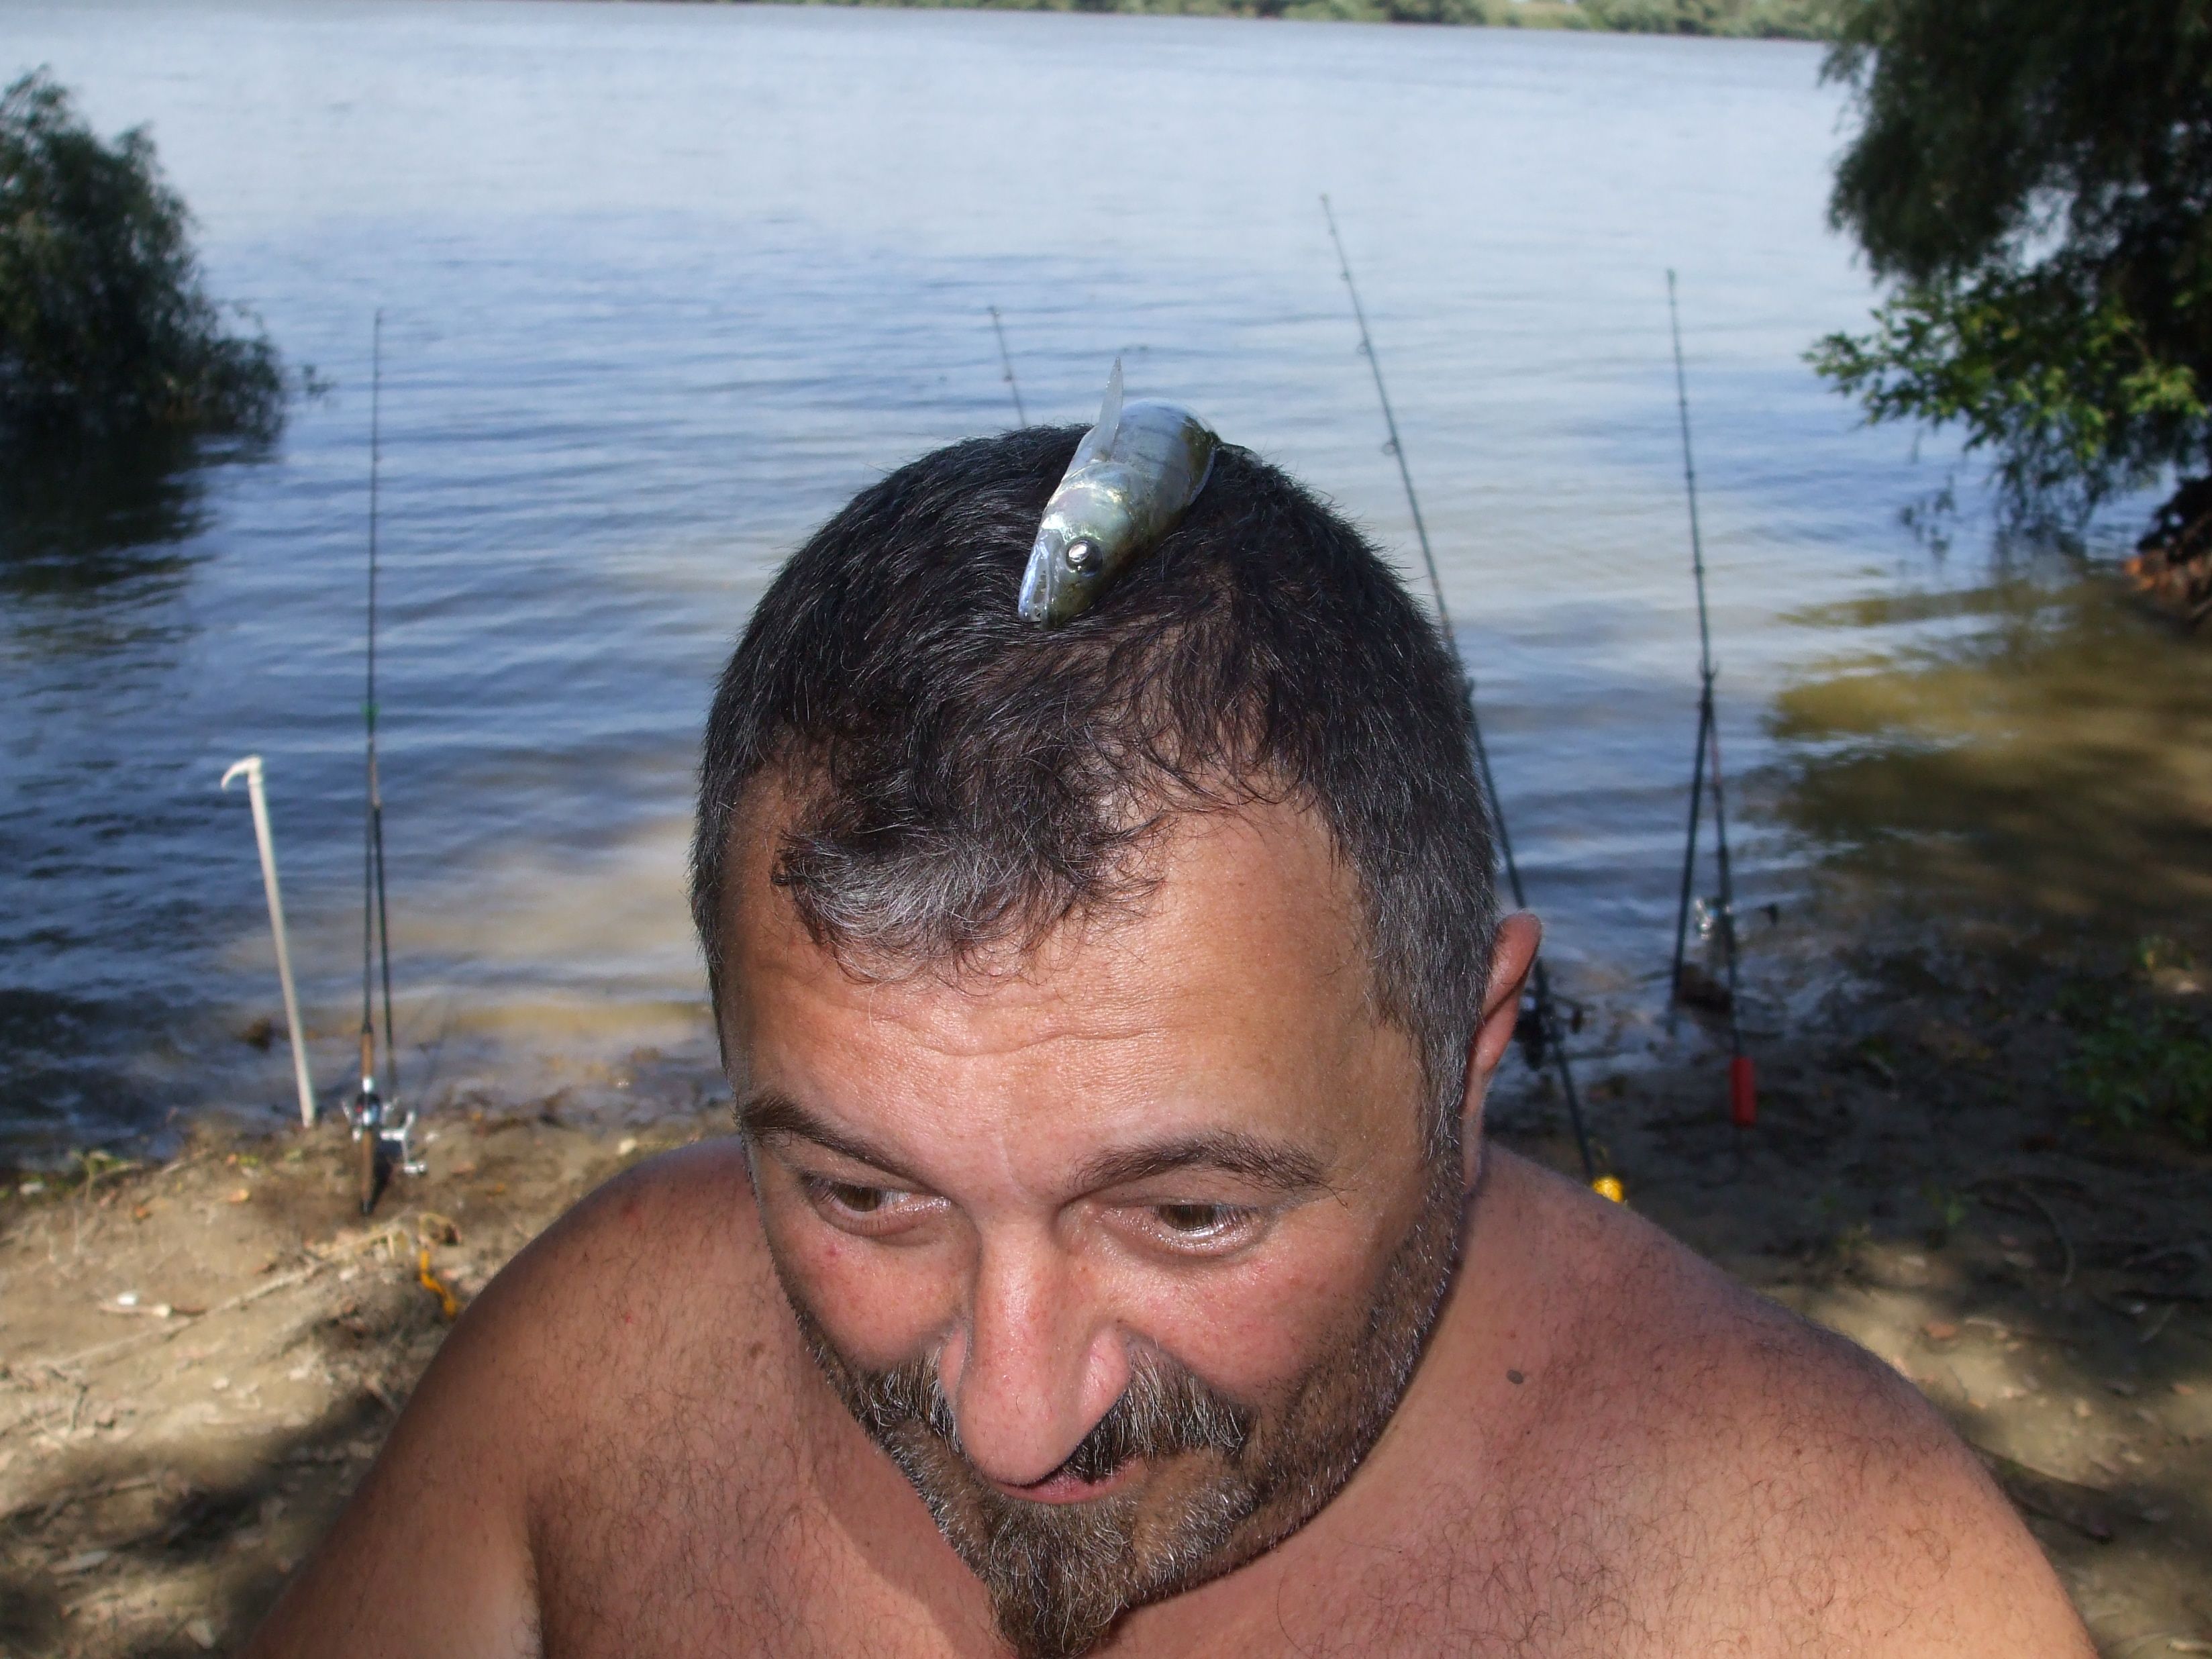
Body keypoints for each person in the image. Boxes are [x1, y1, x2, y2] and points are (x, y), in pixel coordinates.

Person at [244, 426, 2091, 1658]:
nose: (1012, 1419)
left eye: (1190, 1213)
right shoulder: (600, 1359)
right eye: (865, 1192)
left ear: (1468, 1061)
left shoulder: (1842, 1584)